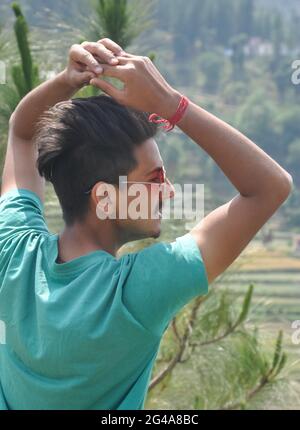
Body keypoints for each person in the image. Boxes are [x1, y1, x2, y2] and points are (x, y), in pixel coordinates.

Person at [0, 38, 293, 410]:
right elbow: (270, 188)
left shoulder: (13, 252)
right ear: (105, 198)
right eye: (154, 180)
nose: (168, 192)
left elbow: (21, 131)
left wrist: (67, 80)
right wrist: (172, 105)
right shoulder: (133, 294)